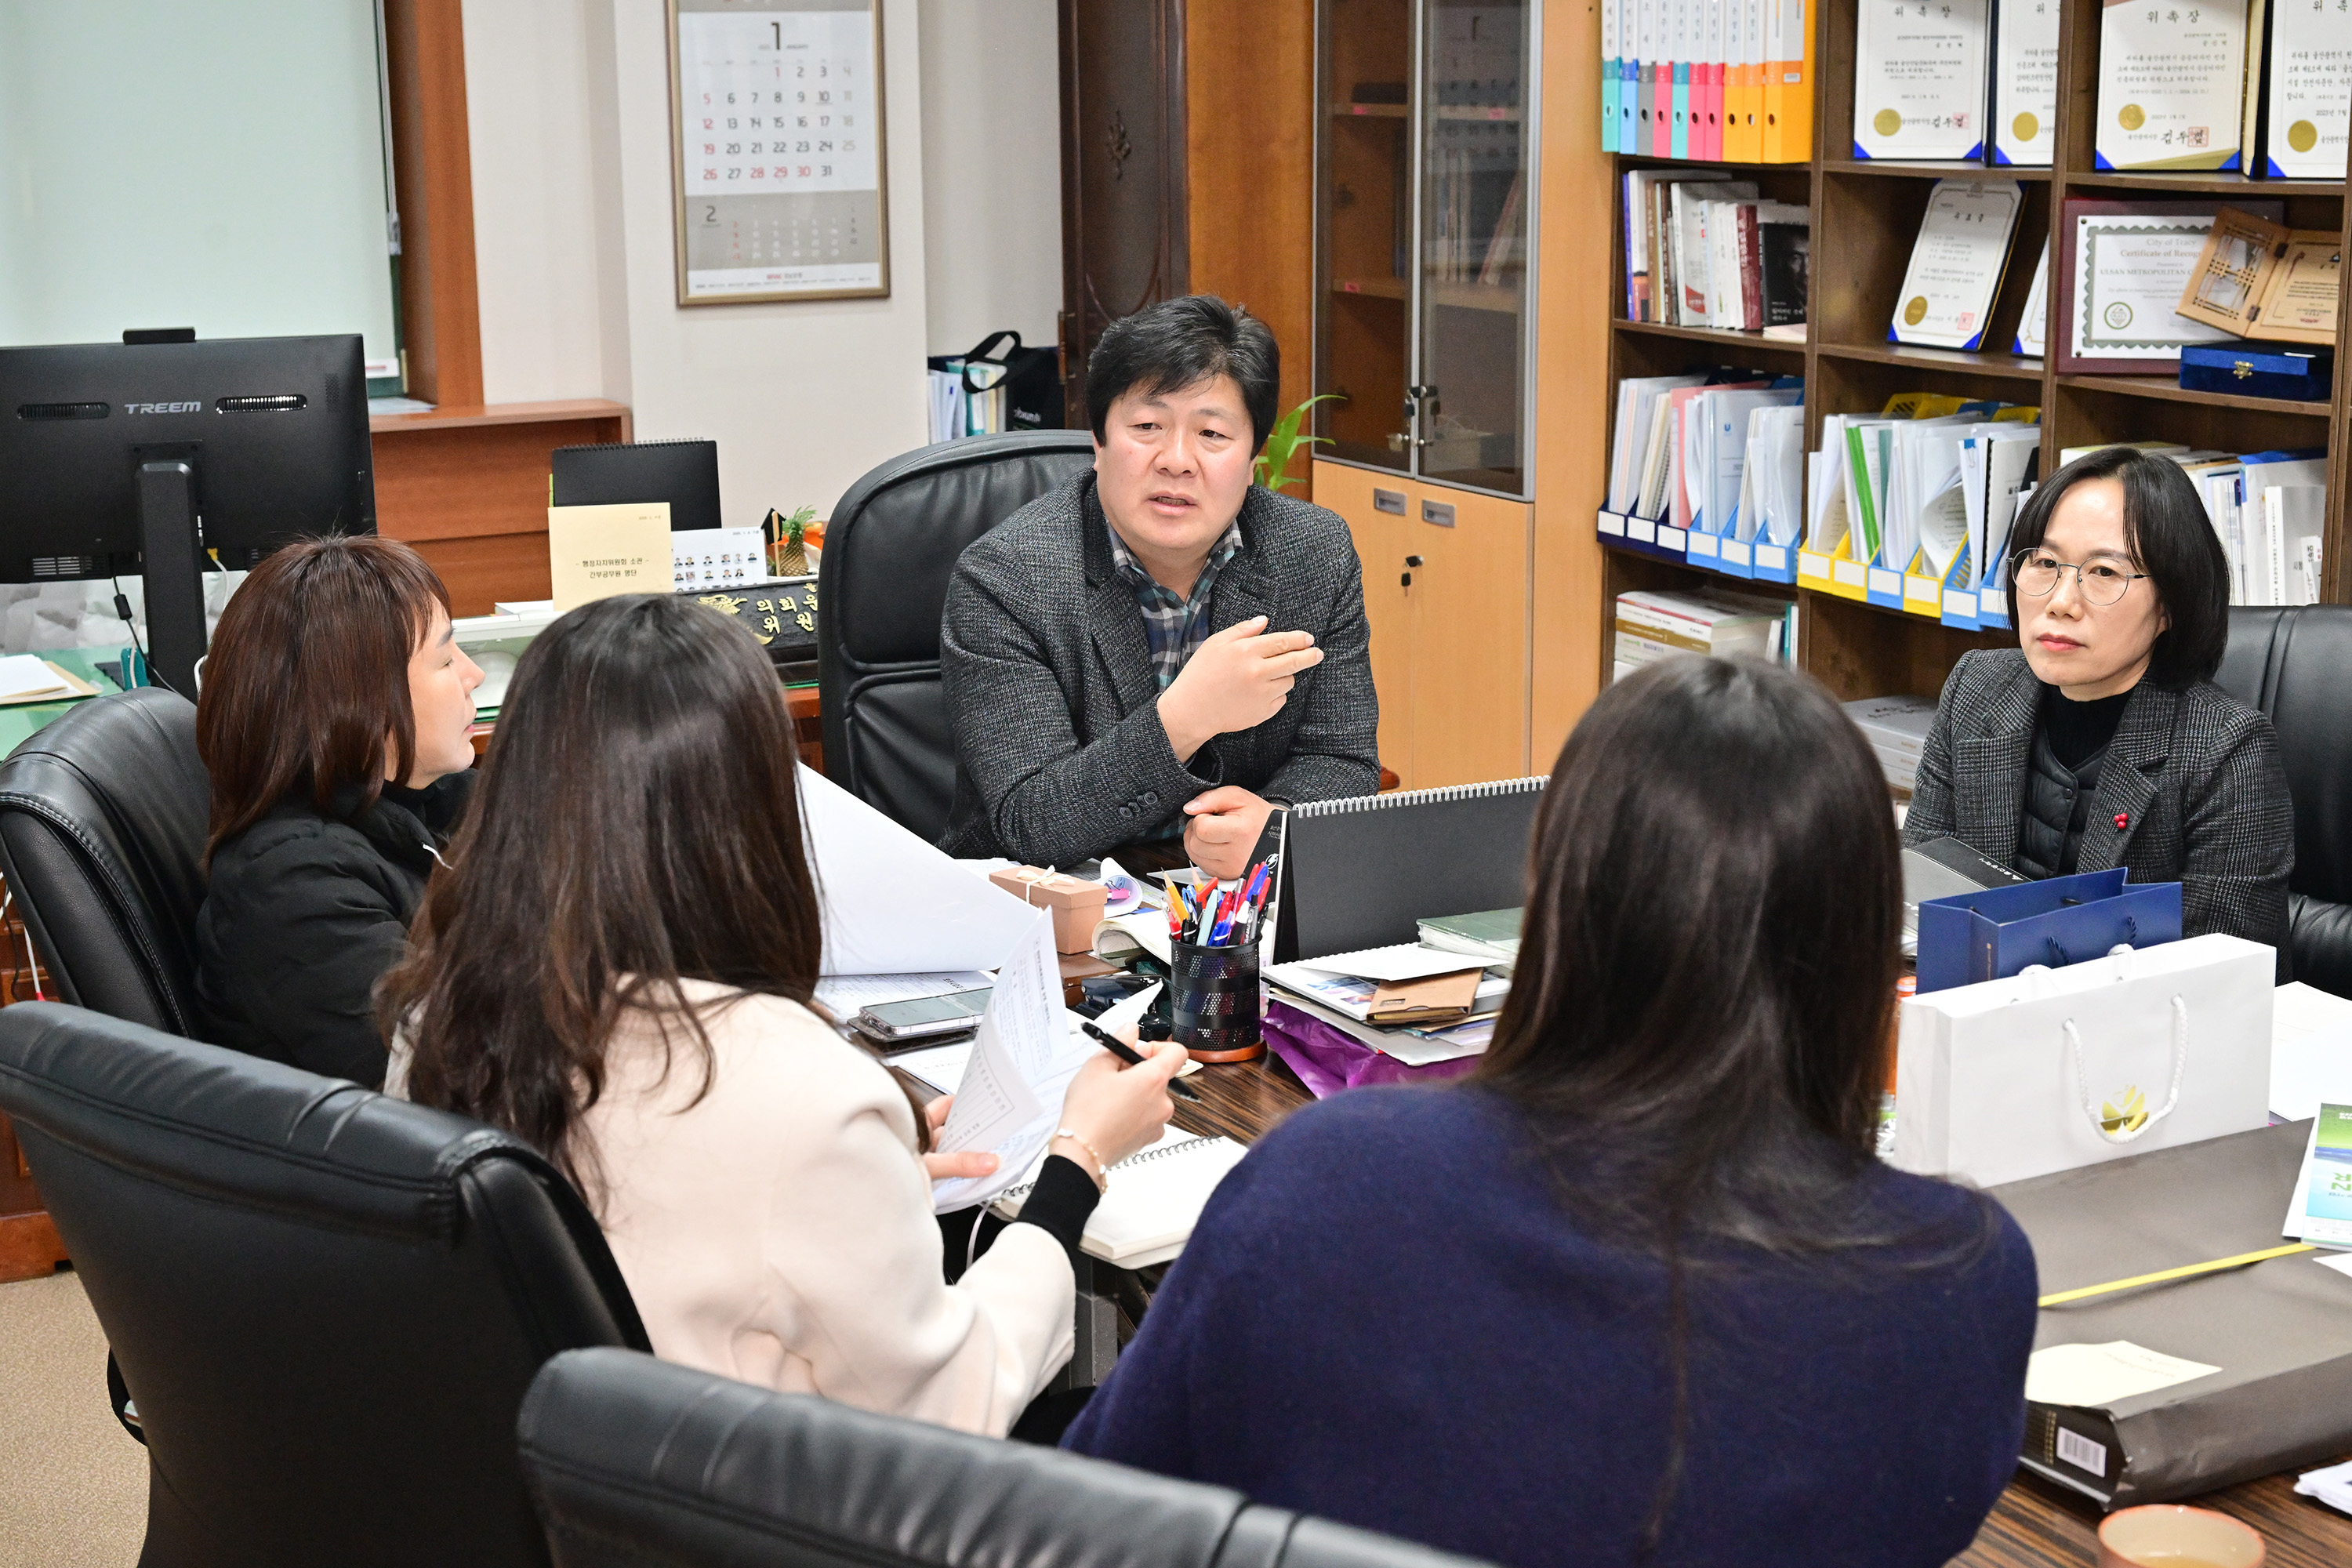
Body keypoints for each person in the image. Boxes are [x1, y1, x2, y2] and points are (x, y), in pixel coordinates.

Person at [1064, 656, 2037, 1568]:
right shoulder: (1963, 1277)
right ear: (1873, 940)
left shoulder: (1335, 1181)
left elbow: (1092, 1522)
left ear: (1555, 901)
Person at [383, 594, 1185, 1438]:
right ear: (748, 817)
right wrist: (1078, 1158)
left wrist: (876, 1183)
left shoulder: (437, 1018)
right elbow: (960, 1398)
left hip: (577, 1483)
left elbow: (671, 1232)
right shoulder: (799, 1090)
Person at [939, 294, 1378, 879]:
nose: (1177, 461)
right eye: (1147, 426)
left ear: (1252, 460)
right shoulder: (1007, 581)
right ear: (1097, 442)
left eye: (1213, 434)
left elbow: (1341, 757)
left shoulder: (1312, 554)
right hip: (1044, 915)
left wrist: (1275, 823)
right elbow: (1031, 821)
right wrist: (1186, 716)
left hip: (1224, 906)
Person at [1905, 445, 2293, 971]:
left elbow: (2220, 976)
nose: (2062, 600)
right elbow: (1918, 903)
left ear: (2170, 607)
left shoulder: (2224, 751)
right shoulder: (1977, 690)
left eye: (2105, 573)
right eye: (2044, 563)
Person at [194, 535, 483, 1086]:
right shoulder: (293, 883)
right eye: (446, 658)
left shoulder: (423, 800)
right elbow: (439, 1077)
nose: (474, 675)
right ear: (361, 702)